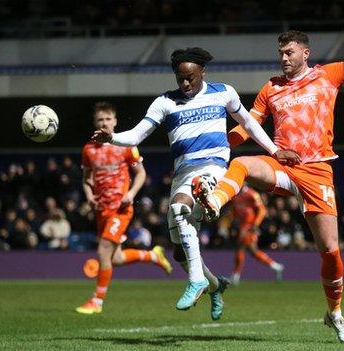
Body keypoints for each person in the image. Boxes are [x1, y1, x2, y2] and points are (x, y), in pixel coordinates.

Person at [192, 6, 344, 344]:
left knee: (330, 251)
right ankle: (214, 200)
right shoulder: (270, 89)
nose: (283, 58)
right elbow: (248, 129)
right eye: (280, 53)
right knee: (241, 164)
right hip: (283, 163)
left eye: (289, 52)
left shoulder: (327, 76)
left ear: (305, 53)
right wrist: (219, 143)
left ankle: (335, 314)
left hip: (317, 171)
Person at [91, 48, 285, 320]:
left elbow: (250, 125)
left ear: (202, 72)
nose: (185, 84)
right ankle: (215, 285)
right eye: (180, 78)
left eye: (190, 78)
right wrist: (111, 138)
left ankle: (196, 281)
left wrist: (275, 152)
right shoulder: (165, 102)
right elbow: (136, 135)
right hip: (182, 174)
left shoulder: (223, 92)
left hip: (214, 167)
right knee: (180, 253)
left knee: (181, 208)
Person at [76, 102, 173, 315]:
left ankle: (97, 301)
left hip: (121, 210)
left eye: (108, 119)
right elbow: (86, 180)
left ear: (115, 121)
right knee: (116, 258)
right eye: (100, 120)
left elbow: (141, 174)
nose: (104, 123)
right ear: (95, 122)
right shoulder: (89, 150)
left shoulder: (125, 144)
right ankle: (153, 256)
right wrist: (89, 196)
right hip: (102, 211)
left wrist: (130, 194)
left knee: (102, 251)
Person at [229, 184, 284, 285]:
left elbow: (262, 210)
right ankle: (276, 266)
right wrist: (234, 224)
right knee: (252, 251)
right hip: (242, 226)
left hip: (249, 226)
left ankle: (235, 277)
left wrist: (255, 224)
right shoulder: (235, 195)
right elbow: (235, 211)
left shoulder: (252, 194)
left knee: (241, 248)